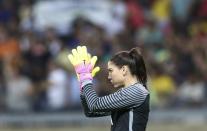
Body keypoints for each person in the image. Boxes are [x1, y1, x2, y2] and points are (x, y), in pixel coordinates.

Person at [68, 46, 150, 131]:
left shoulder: (136, 91)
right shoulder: (128, 92)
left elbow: (94, 105)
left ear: (123, 70)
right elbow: (90, 112)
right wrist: (83, 84)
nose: (108, 76)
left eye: (111, 70)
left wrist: (85, 78)